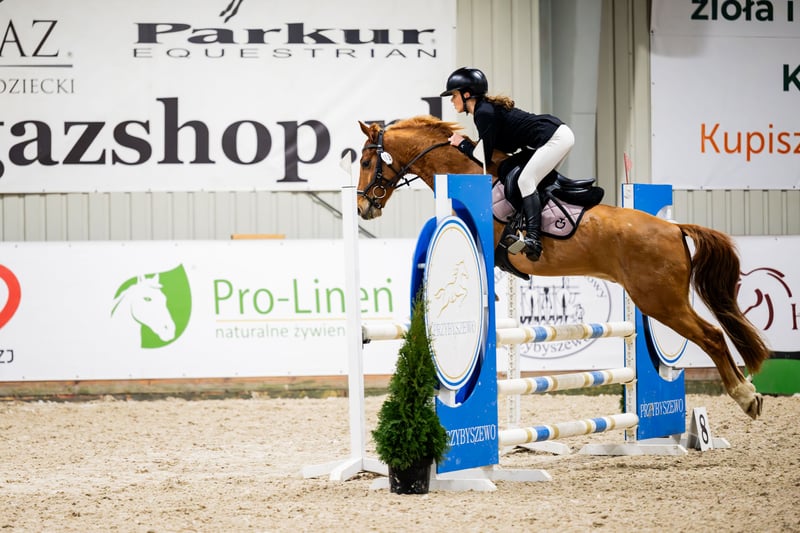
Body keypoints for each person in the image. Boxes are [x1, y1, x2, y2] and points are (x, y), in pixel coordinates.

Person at [441, 67, 574, 261]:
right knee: (513, 172)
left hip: (554, 138)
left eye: (453, 95)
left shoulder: (483, 112)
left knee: (526, 180)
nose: (452, 101)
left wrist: (461, 143)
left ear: (466, 94)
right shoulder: (485, 109)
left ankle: (534, 239)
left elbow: (483, 157)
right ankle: (535, 227)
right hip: (553, 136)